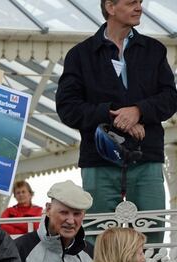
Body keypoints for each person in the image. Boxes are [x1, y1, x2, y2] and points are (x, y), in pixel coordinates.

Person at [56, 0, 177, 219]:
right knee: (97, 240)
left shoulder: (155, 50)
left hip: (146, 159)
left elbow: (170, 98)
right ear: (110, 8)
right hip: (98, 161)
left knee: (150, 239)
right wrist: (113, 115)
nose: (139, 7)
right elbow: (67, 107)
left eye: (140, 2)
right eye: (132, 3)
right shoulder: (80, 55)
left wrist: (139, 111)